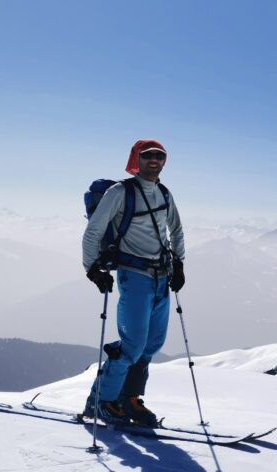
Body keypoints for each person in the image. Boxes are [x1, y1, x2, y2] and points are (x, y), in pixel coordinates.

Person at [81, 139, 186, 426]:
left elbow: (176, 230)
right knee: (132, 345)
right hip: (135, 276)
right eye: (148, 155)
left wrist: (179, 264)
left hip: (162, 277)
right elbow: (94, 232)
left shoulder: (164, 193)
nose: (154, 160)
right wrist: (92, 269)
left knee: (151, 343)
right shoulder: (120, 192)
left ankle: (130, 399)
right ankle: (102, 401)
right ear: (136, 159)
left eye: (159, 156)